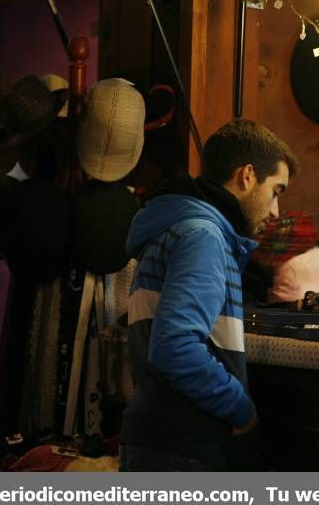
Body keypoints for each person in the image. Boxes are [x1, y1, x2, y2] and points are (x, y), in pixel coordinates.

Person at [119, 119, 298, 471]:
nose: (276, 210)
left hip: (161, 436)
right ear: (247, 176)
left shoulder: (180, 228)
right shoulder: (204, 237)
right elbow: (175, 348)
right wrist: (242, 411)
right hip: (184, 442)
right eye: (276, 191)